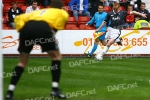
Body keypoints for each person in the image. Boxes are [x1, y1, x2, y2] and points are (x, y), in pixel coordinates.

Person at [5, 0, 68, 100]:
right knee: (57, 57)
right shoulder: (61, 12)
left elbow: (18, 18)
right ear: (60, 7)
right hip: (43, 27)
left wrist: (23, 31)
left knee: (22, 62)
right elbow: (58, 25)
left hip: (27, 28)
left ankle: (10, 92)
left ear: (50, 6)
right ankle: (54, 89)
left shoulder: (38, 12)